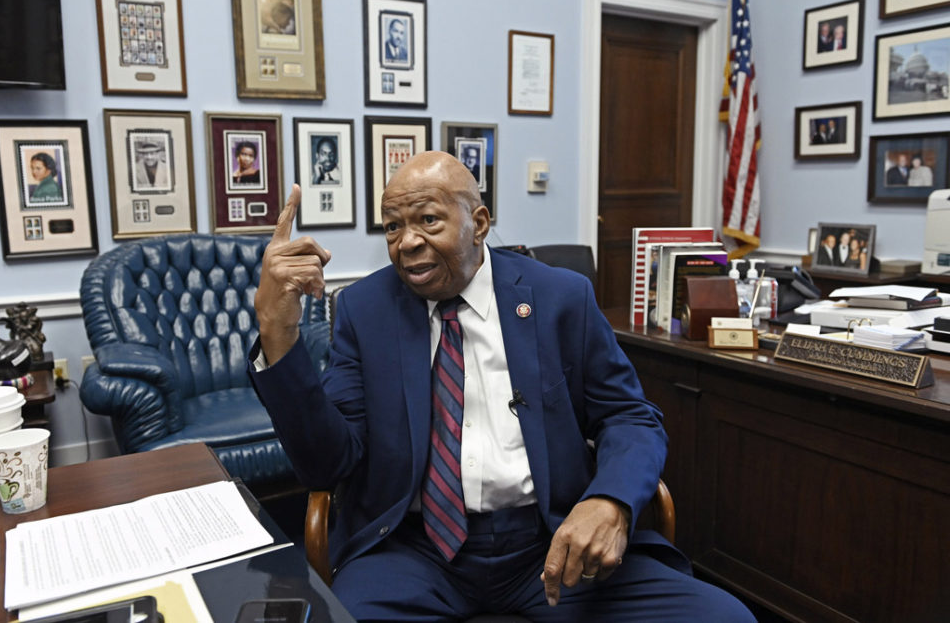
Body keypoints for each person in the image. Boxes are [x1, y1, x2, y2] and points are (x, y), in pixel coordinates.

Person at [249, 151, 753, 621]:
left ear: (479, 224)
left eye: (428, 220)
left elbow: (631, 417)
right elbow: (329, 463)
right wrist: (278, 335)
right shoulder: (365, 309)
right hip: (412, 551)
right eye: (392, 226)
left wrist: (610, 501)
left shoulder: (560, 298)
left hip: (550, 540)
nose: (406, 242)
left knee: (725, 617)